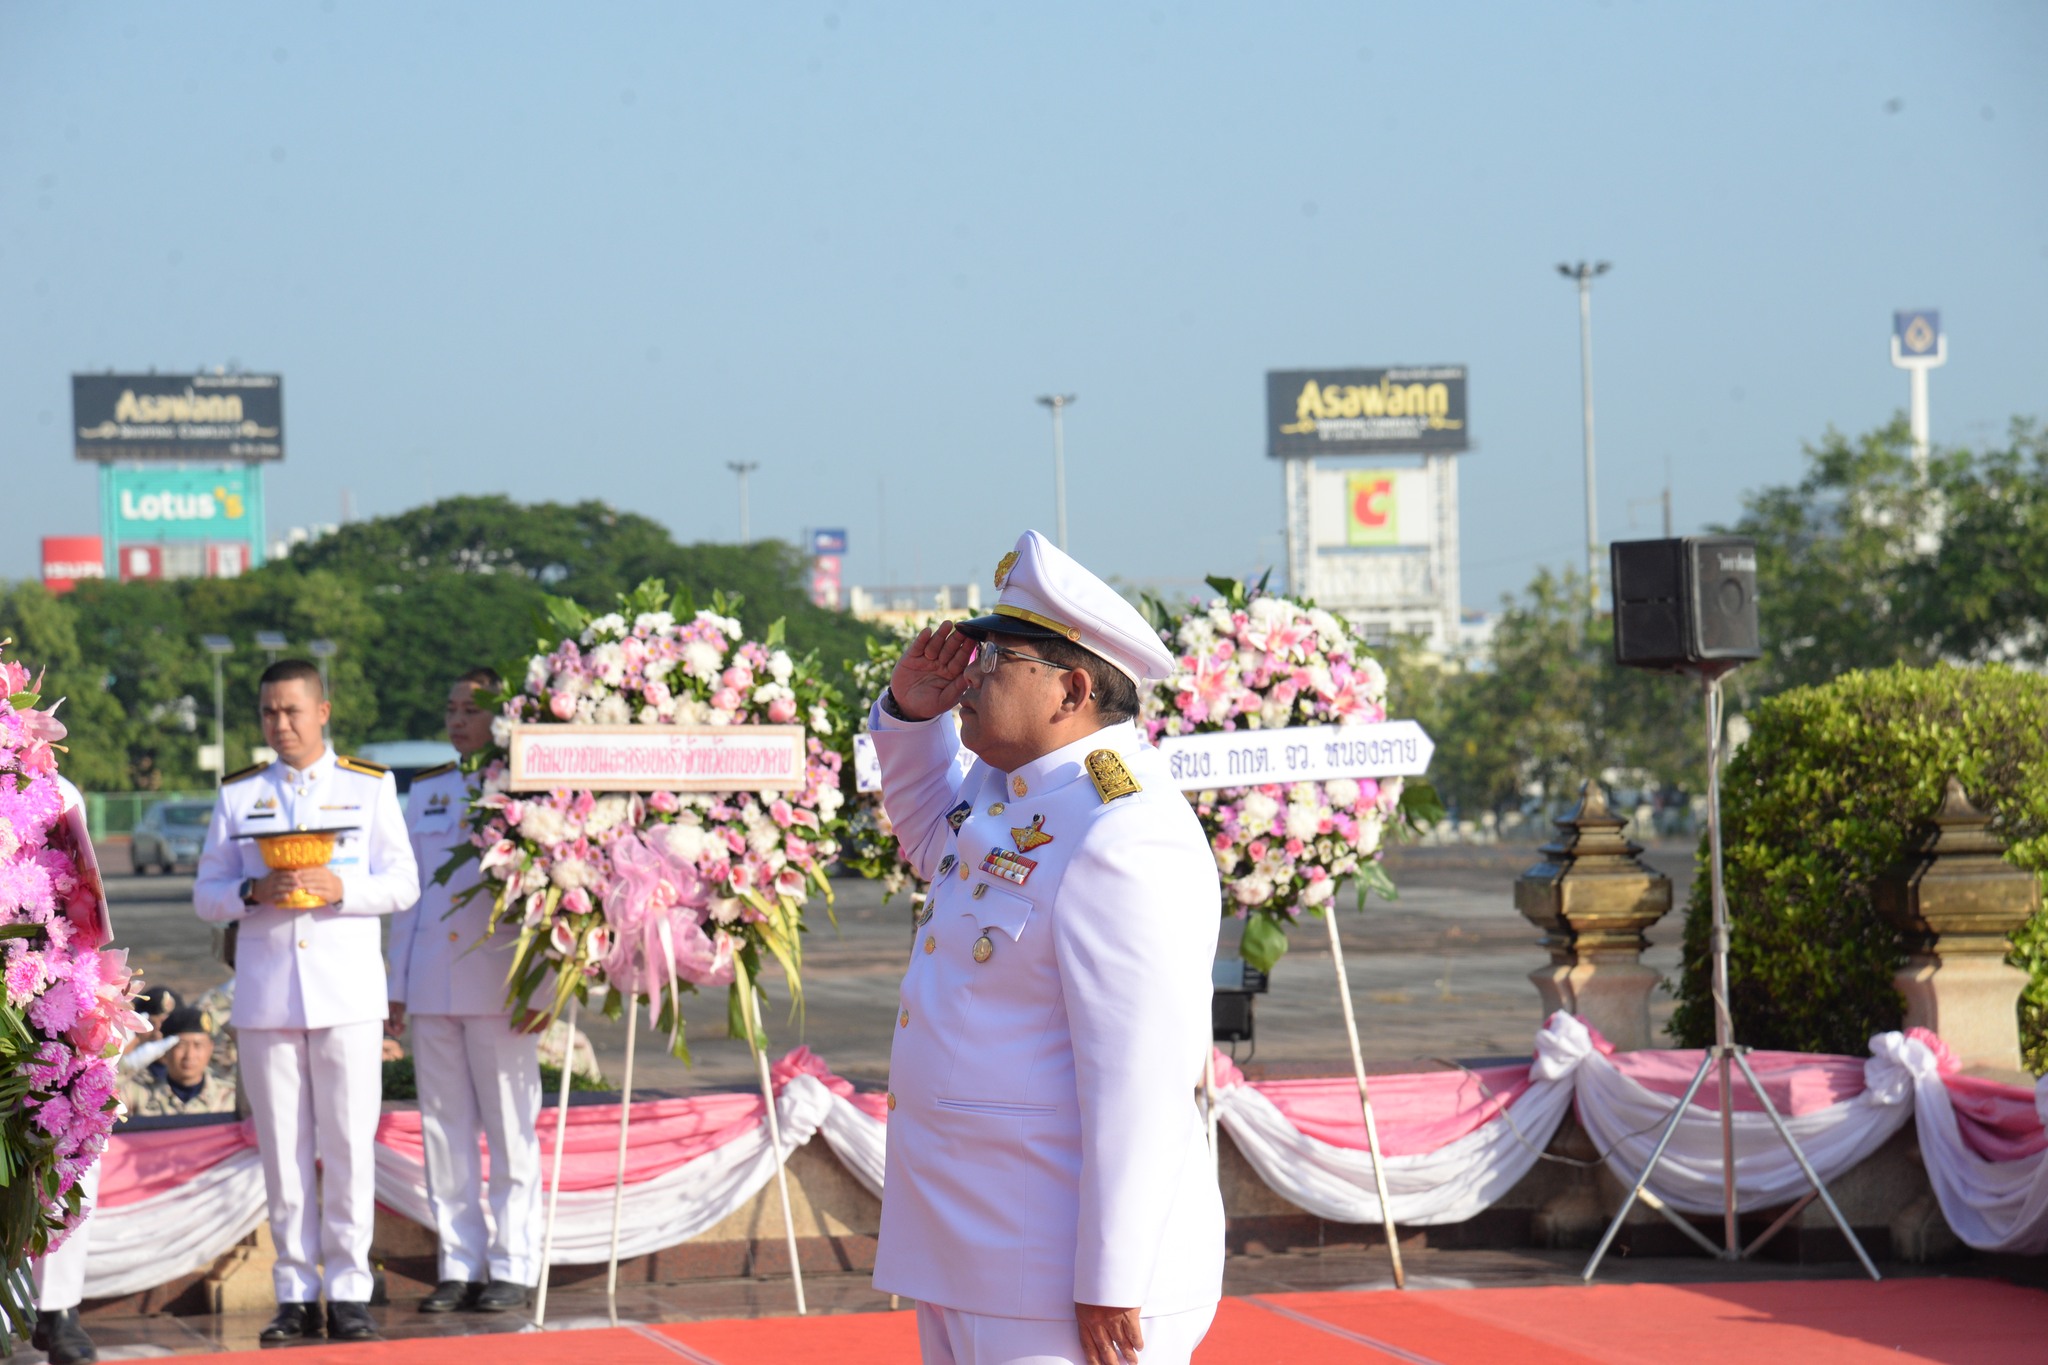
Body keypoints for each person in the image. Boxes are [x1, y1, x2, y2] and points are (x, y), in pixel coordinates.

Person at [869, 529, 1223, 1365]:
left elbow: (1139, 1076)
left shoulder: (1123, 828)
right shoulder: (1017, 785)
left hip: (1062, 1271)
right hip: (977, 1245)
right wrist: (912, 715)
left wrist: (1113, 1272)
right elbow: (932, 834)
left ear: (1069, 687)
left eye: (996, 660)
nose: (971, 674)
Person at [193, 659, 419, 1345]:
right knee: (283, 1151)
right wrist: (250, 894)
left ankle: (350, 1288)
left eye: (292, 710)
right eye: (269, 712)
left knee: (350, 1144)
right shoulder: (241, 795)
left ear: (323, 710)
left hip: (346, 994)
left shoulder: (368, 787)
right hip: (266, 997)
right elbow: (206, 892)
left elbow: (404, 882)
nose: (279, 723)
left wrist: (342, 887)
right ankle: (294, 1291)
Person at [386, 668, 542, 1315]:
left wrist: (545, 984)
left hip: (502, 983)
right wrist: (395, 983)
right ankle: (459, 1260)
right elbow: (408, 898)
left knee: (510, 1128)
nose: (457, 719)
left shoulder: (530, 790)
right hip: (431, 981)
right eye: (450, 707)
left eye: (470, 709)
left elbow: (550, 900)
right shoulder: (426, 793)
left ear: (500, 717)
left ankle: (514, 1261)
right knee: (443, 1130)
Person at [117, 1004, 236, 1116]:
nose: (190, 1055)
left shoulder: (229, 1097)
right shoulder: (140, 1094)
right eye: (181, 1045)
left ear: (210, 1048)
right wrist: (127, 1065)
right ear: (166, 1050)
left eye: (198, 1045)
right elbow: (103, 1100)